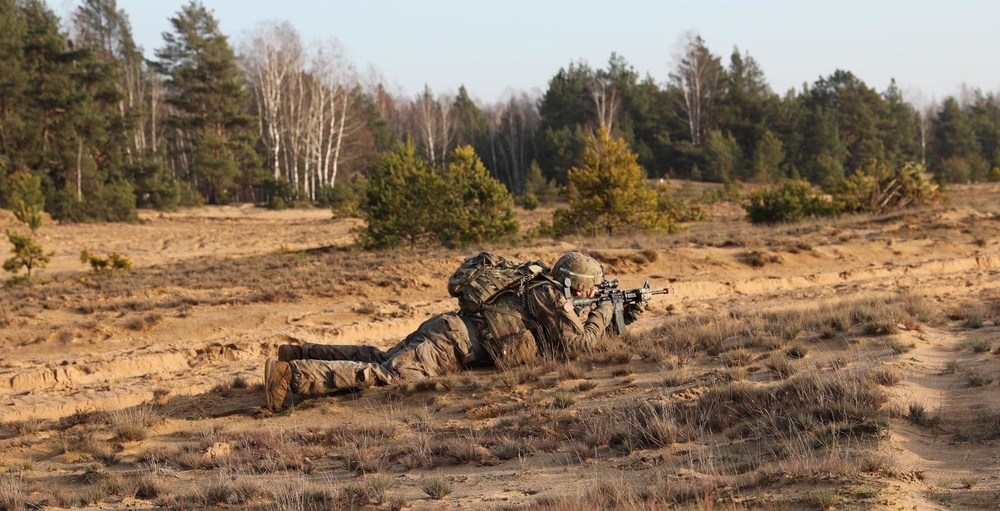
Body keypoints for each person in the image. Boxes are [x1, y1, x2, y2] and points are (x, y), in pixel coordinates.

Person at [263, 252, 646, 412]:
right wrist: (606, 311)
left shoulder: (544, 290)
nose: (596, 294)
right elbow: (577, 345)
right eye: (593, 289)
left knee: (382, 357)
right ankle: (289, 377)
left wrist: (622, 312)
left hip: (447, 330)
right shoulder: (549, 296)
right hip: (450, 344)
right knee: (389, 375)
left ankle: (299, 352)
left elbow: (571, 336)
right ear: (575, 285)